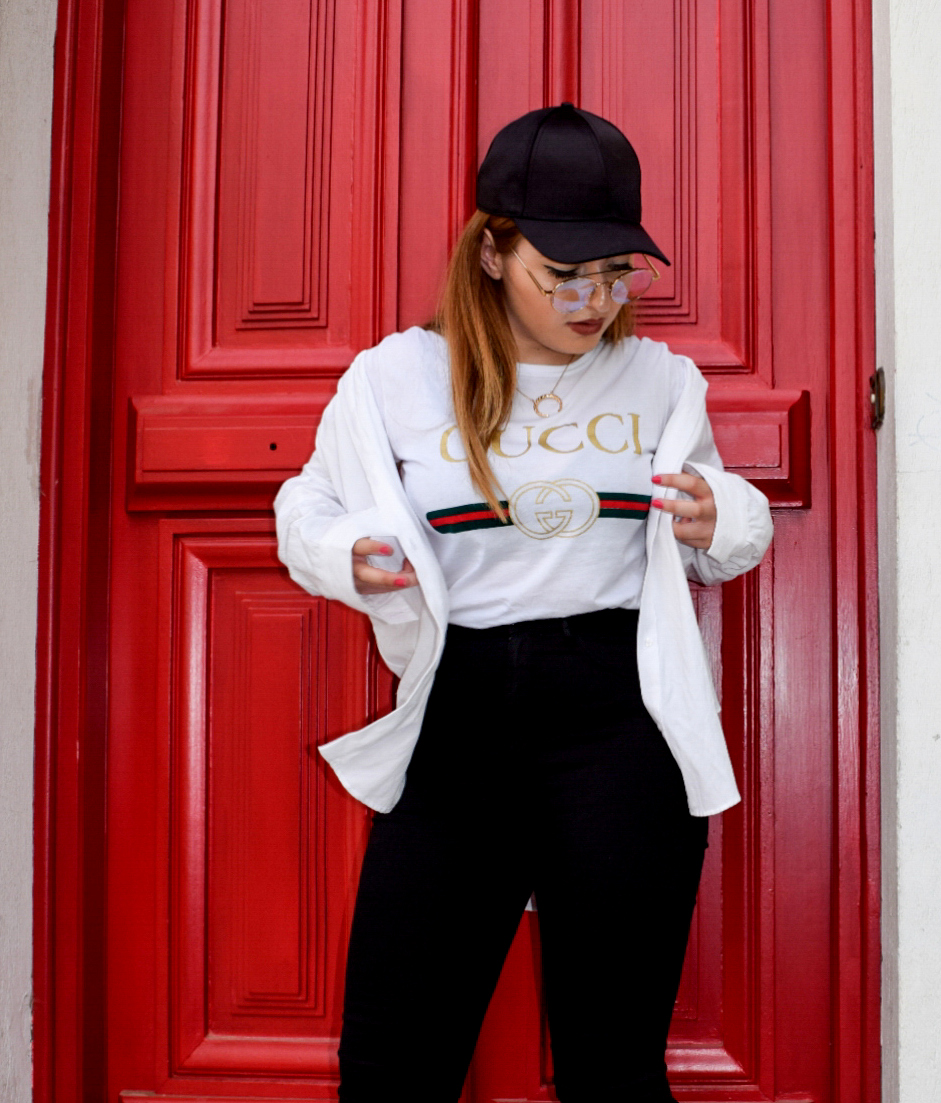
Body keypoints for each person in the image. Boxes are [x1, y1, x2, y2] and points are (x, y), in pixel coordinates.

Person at [274, 103, 773, 1103]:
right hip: (459, 718)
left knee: (613, 1065)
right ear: (493, 253)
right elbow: (307, 506)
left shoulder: (658, 379)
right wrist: (343, 555)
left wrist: (720, 514)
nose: (595, 299)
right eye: (564, 273)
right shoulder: (396, 376)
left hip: (619, 719)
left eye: (616, 272)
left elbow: (728, 537)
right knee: (391, 1063)